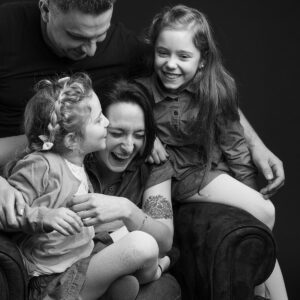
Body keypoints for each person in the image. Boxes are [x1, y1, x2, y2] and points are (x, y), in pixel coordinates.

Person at [0, 0, 285, 200]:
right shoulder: (6, 28)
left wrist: (254, 143)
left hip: (75, 183)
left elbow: (205, 84)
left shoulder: (124, 48)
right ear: (46, 8)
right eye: (76, 37)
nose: (90, 50)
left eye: (100, 35)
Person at [135, 5, 288, 300]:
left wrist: (248, 194)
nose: (170, 64)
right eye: (163, 53)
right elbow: (121, 119)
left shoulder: (217, 90)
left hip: (199, 175)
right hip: (158, 177)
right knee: (159, 238)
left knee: (264, 210)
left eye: (183, 56)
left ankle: (264, 293)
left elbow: (235, 145)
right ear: (153, 50)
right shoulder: (139, 91)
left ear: (202, 61)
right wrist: (146, 135)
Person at [1, 78, 178, 300]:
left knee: (141, 246)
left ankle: (120, 285)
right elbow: (12, 207)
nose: (129, 146)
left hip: (84, 257)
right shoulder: (46, 160)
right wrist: (9, 189)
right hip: (52, 276)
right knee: (142, 245)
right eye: (115, 130)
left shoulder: (79, 160)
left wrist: (126, 210)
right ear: (73, 138)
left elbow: (164, 242)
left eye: (140, 135)